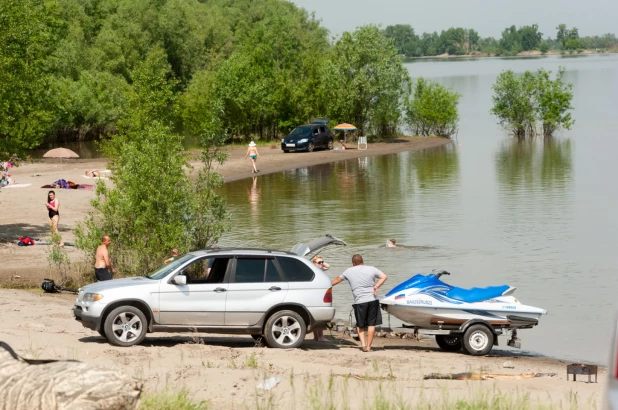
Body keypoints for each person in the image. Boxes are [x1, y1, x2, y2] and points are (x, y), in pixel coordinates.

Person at [331, 254, 387, 352]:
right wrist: (376, 286)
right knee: (371, 324)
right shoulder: (371, 269)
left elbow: (337, 279)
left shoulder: (349, 271)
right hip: (372, 300)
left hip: (360, 302)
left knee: (360, 325)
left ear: (353, 263)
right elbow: (384, 277)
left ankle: (363, 346)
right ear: (362, 261)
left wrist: (327, 285)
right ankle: (369, 347)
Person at [311, 255, 331, 342]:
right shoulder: (313, 271)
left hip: (319, 294)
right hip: (316, 295)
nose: (322, 264)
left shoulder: (319, 270)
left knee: (318, 316)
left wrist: (321, 263)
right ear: (314, 263)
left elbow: (328, 266)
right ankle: (319, 337)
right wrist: (316, 263)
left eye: (322, 262)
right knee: (319, 317)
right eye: (319, 262)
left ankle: (318, 337)